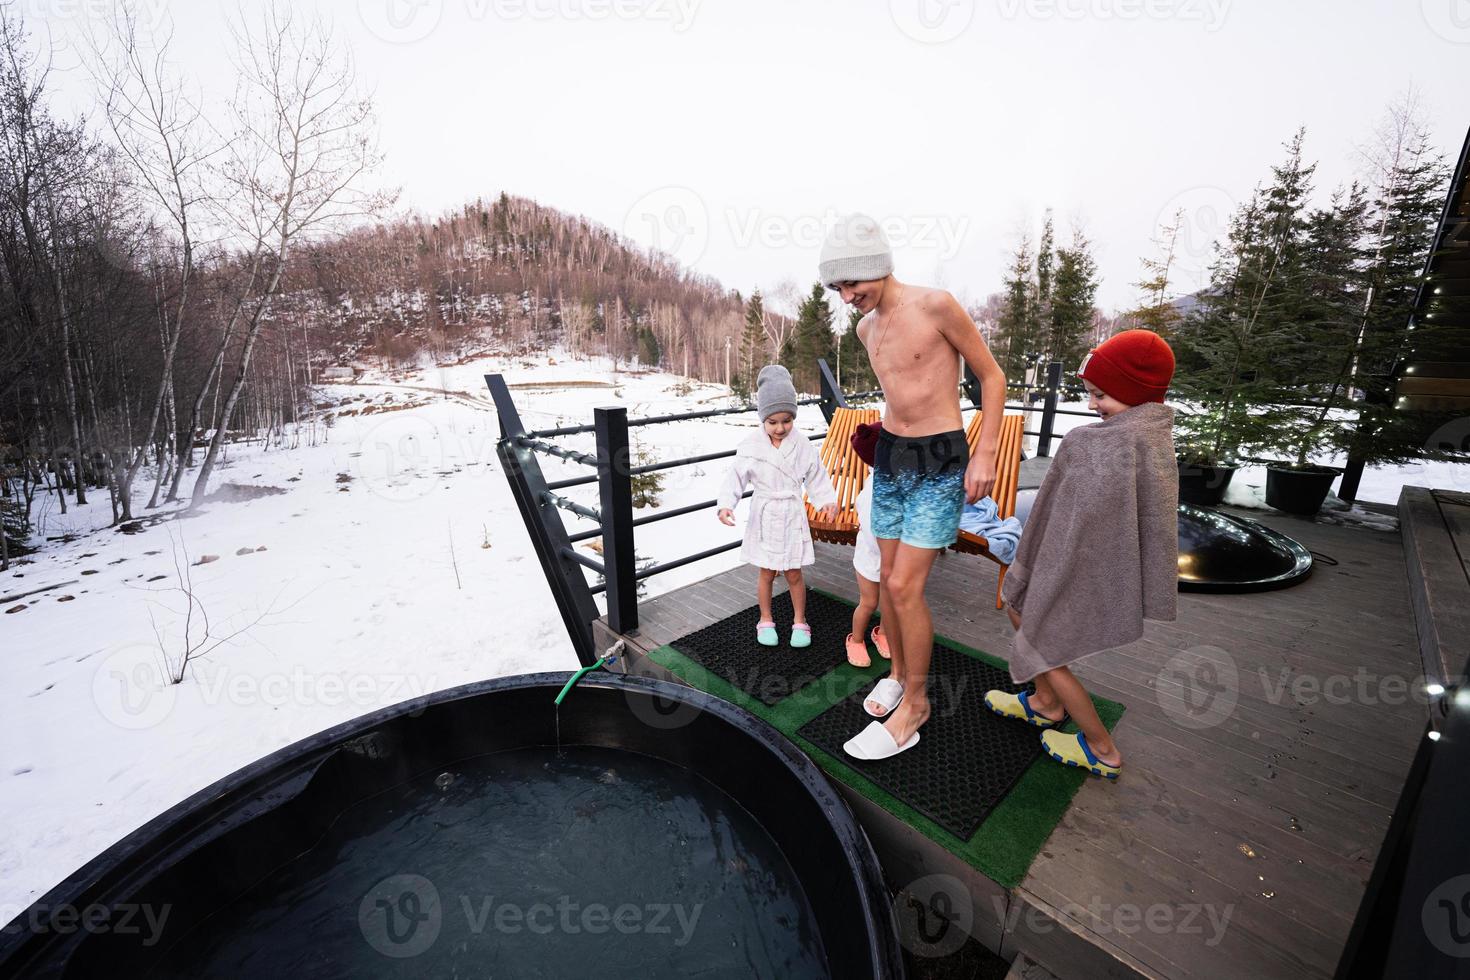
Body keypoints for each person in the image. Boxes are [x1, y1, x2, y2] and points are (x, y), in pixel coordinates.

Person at [820, 214, 1008, 760]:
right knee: (885, 577)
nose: (847, 296)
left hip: (940, 460)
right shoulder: (865, 329)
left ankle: (918, 703)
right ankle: (900, 675)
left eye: (852, 283)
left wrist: (987, 453)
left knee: (904, 588)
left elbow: (992, 377)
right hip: (891, 461)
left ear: (876, 266)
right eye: (838, 288)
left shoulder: (935, 306)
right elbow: (901, 390)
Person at [982, 329, 1179, 778]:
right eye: (1090, 394)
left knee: (1046, 641)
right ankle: (1046, 702)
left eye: (1101, 395)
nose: (1092, 405)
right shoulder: (1150, 435)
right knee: (1020, 611)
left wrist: (1055, 571)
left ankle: (1101, 747)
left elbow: (1091, 523)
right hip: (1079, 563)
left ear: (1134, 392)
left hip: (1074, 566)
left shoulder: (1103, 443)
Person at [718, 365, 838, 648]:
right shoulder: (751, 445)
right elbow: (735, 476)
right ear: (763, 419)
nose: (781, 427)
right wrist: (727, 504)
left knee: (795, 572)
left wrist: (826, 501)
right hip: (765, 513)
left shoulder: (802, 444)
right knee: (767, 572)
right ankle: (766, 619)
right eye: (773, 422)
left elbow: (816, 474)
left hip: (791, 513)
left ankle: (800, 621)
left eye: (786, 420)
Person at [845, 483, 891, 668]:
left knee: (890, 601)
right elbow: (868, 521)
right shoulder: (873, 488)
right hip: (871, 554)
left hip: (895, 554)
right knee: (869, 602)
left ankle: (883, 633)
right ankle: (855, 640)